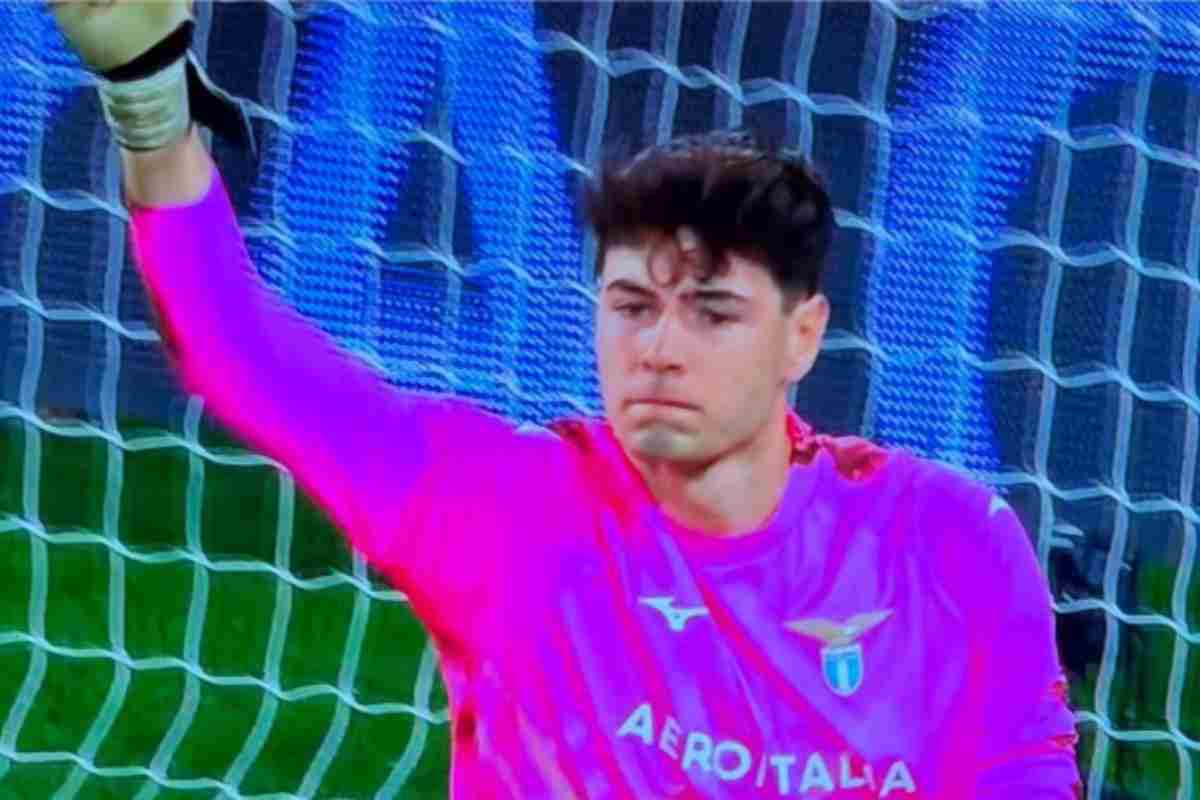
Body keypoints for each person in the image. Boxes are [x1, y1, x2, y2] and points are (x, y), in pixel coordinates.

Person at [50, 2, 1082, 798]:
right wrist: (149, 103)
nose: (659, 350)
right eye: (631, 306)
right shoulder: (506, 508)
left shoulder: (948, 545)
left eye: (712, 313)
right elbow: (235, 350)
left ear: (801, 335)